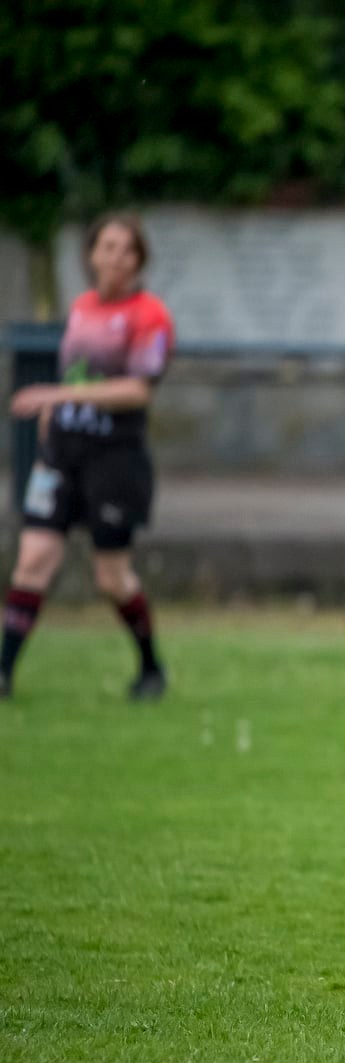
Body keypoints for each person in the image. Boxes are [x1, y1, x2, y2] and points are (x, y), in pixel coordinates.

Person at [3, 215, 174, 701]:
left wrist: (55, 395)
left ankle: (151, 666)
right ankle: (3, 672)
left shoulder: (149, 316)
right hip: (63, 454)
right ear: (91, 254)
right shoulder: (81, 309)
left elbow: (137, 389)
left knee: (110, 577)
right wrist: (53, 413)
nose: (115, 258)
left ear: (140, 259)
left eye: (126, 249)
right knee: (34, 558)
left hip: (114, 458)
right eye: (106, 247)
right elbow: (74, 375)